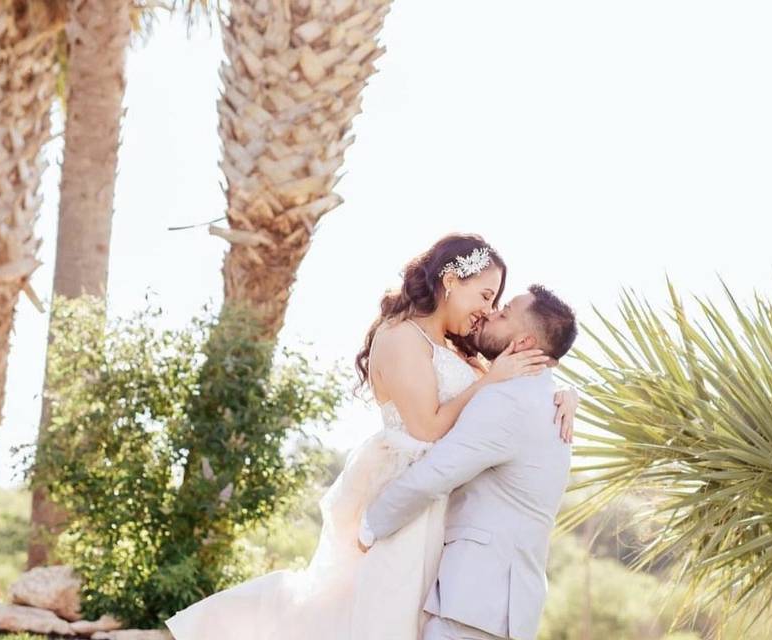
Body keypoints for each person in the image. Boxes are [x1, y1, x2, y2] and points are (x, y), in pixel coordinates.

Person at [165, 233, 578, 640]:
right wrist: (489, 384)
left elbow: (517, 398)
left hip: (441, 512)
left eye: (497, 303)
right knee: (373, 618)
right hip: (406, 495)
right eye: (486, 296)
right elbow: (428, 429)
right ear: (451, 282)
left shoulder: (463, 351)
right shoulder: (401, 337)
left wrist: (564, 392)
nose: (487, 311)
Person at [359, 284, 578, 640]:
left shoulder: (508, 401)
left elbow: (437, 474)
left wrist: (370, 525)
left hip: (474, 606)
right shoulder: (545, 398)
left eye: (504, 313)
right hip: (499, 607)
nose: (491, 313)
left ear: (523, 344)